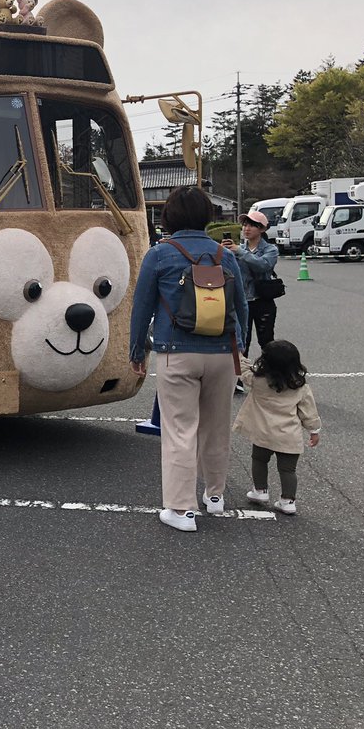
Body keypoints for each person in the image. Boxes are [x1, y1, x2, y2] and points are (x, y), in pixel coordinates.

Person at [129, 186, 249, 533]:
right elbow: (240, 305)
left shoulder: (160, 254)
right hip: (221, 354)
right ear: (207, 215)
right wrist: (239, 345)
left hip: (176, 352)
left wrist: (137, 351)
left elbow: (141, 309)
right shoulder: (223, 255)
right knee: (216, 427)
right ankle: (215, 495)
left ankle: (182, 510)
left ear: (168, 216)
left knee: (180, 430)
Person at [235, 340, 322, 515]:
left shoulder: (258, 380)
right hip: (288, 436)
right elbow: (308, 412)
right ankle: (288, 500)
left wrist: (238, 355)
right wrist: (314, 431)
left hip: (263, 432)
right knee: (288, 469)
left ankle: (260, 491)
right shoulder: (299, 386)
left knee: (259, 460)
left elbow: (243, 371)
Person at [227, 209, 280, 391]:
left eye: (251, 225)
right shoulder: (238, 248)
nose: (246, 228)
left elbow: (263, 265)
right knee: (242, 340)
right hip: (243, 301)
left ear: (262, 229)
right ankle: (239, 379)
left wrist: (240, 253)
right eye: (245, 224)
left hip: (263, 301)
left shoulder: (270, 249)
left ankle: (272, 376)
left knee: (267, 341)